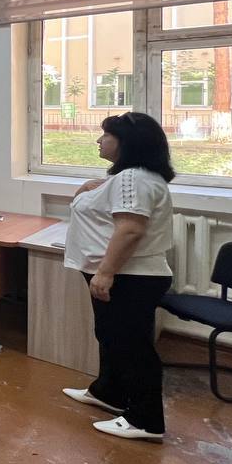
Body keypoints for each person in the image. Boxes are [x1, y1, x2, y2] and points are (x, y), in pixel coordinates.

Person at [62, 113, 176, 442]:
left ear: (127, 142)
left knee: (132, 346)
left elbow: (130, 230)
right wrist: (87, 189)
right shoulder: (130, 177)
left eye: (106, 136)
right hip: (126, 274)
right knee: (111, 336)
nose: (99, 141)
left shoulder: (134, 178)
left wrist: (106, 272)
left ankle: (146, 419)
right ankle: (108, 392)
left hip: (130, 276)